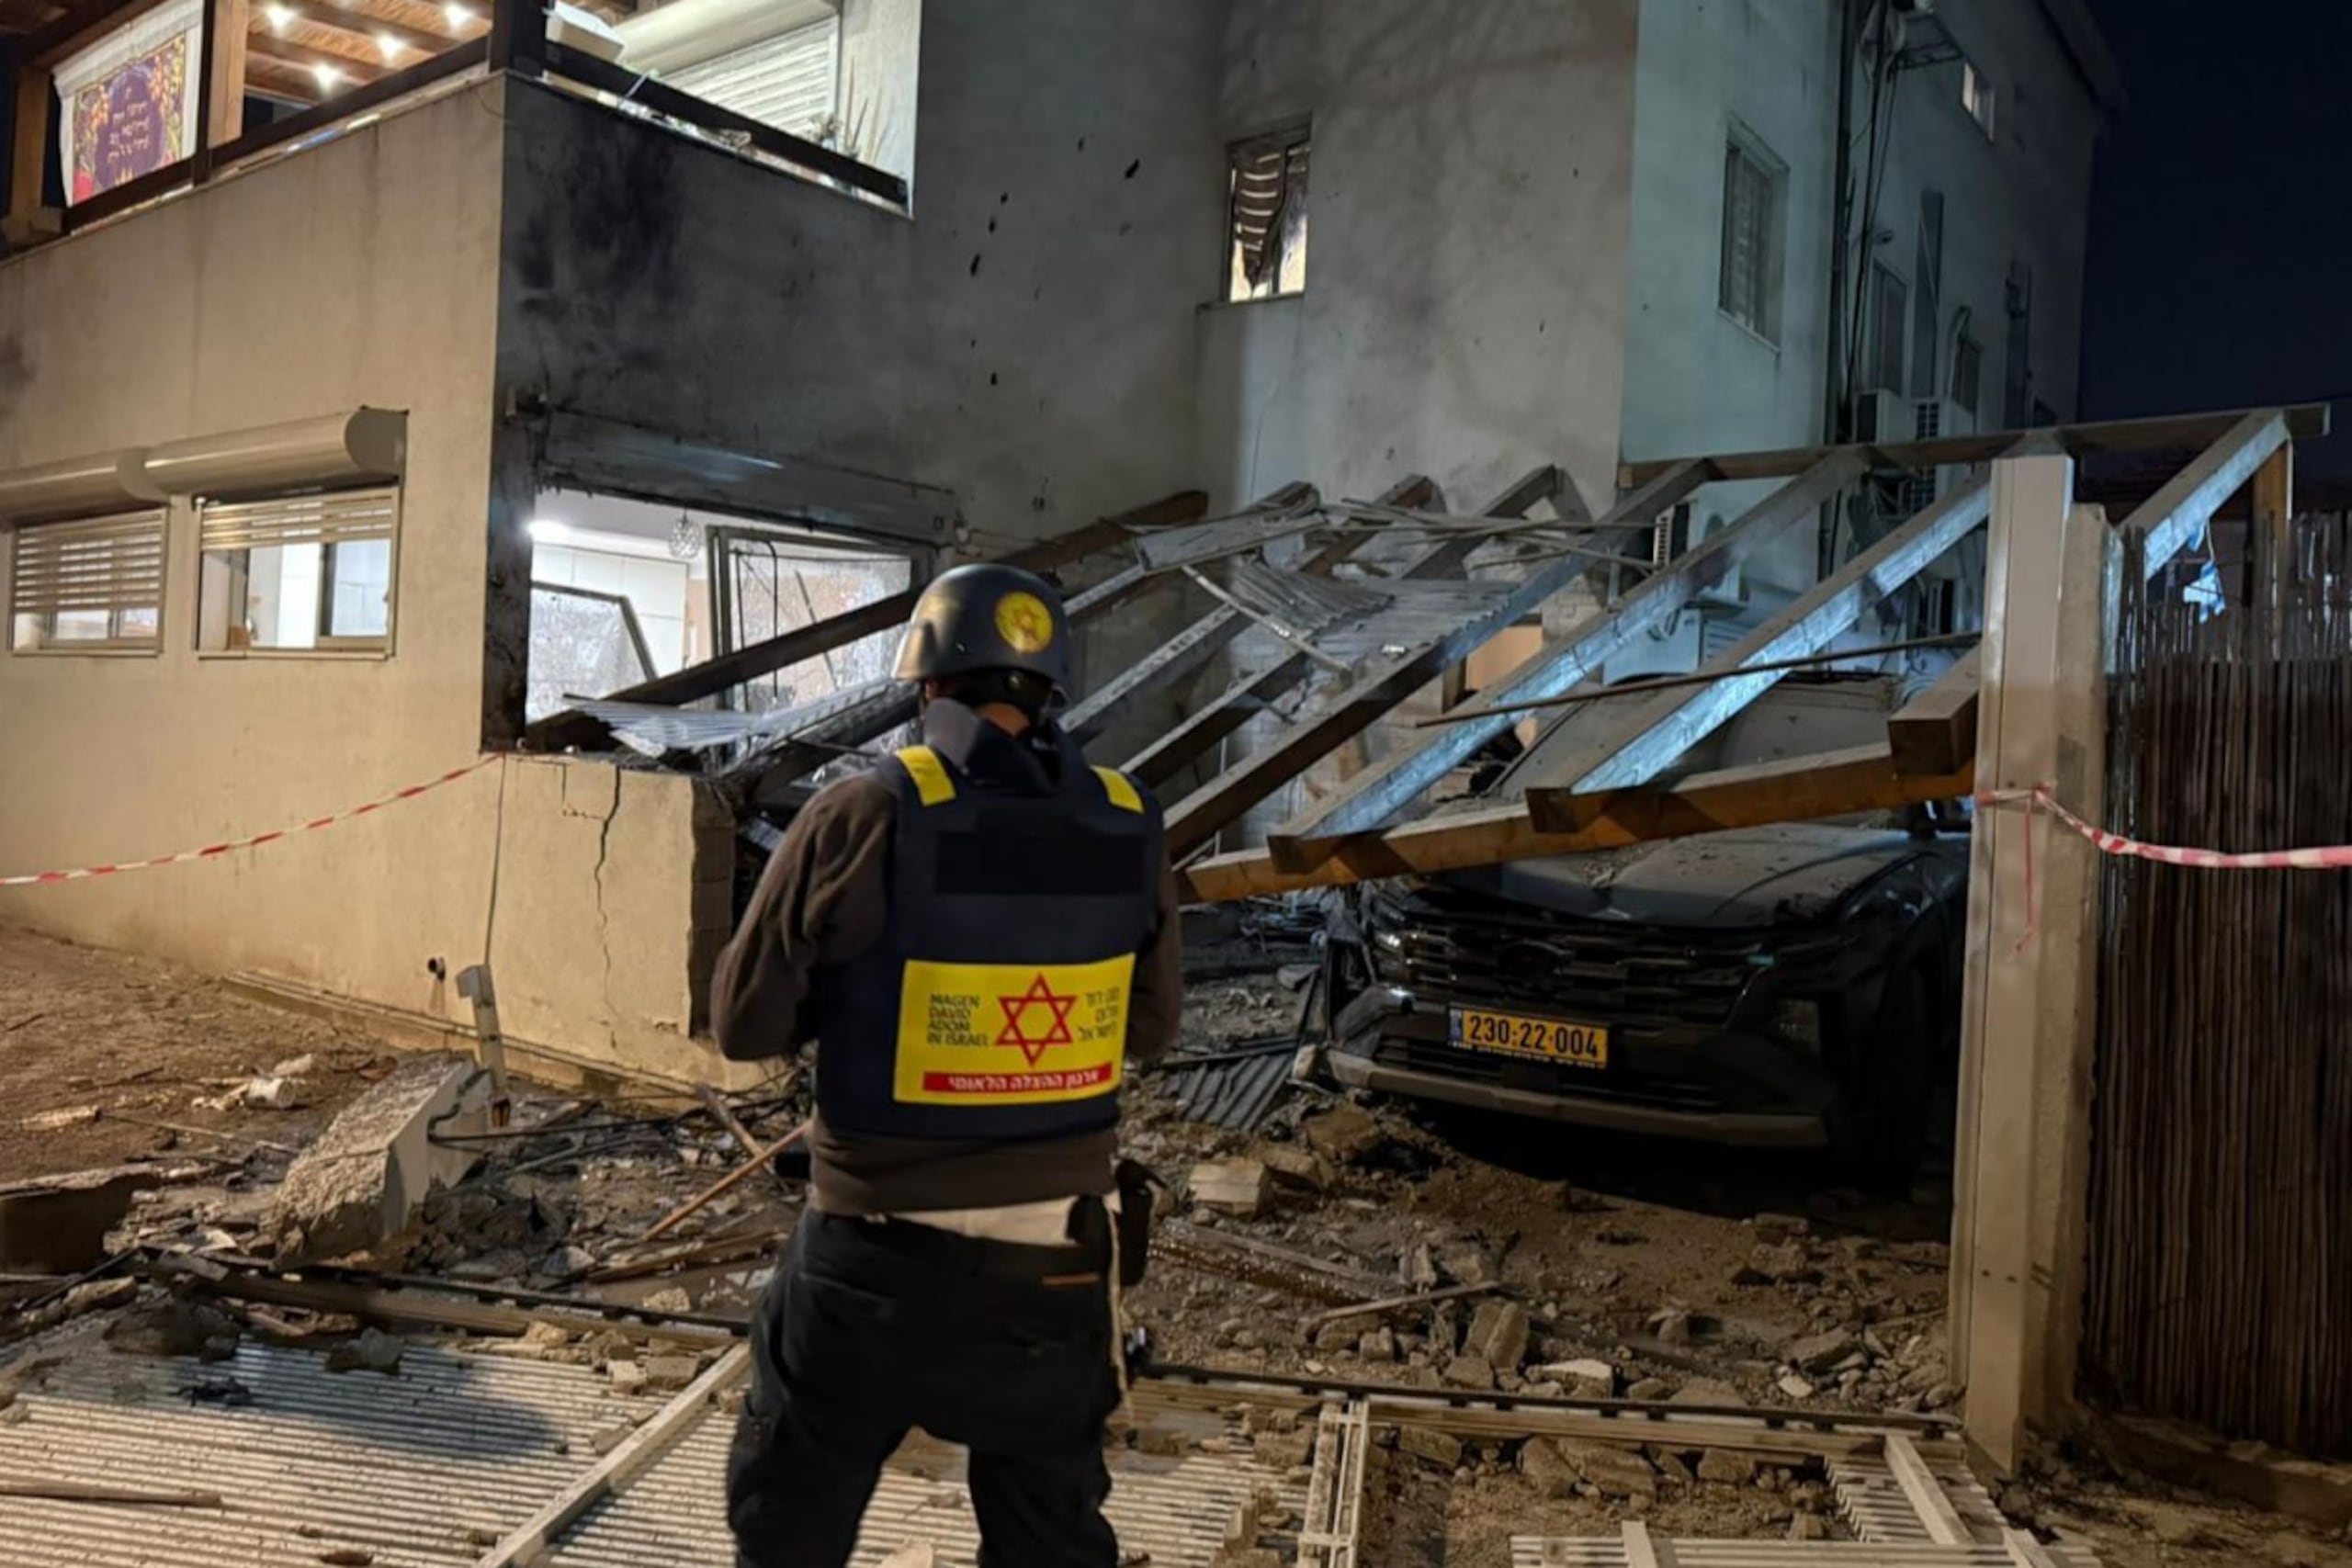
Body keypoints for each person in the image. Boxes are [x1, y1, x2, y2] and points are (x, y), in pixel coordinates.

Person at [711, 561, 1182, 1568]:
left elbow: (744, 1028)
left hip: (867, 1264)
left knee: (788, 1520)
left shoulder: (860, 812)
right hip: (1055, 1266)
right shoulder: (1128, 819)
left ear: (924, 686)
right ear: (1052, 689)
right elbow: (1147, 1031)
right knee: (1046, 1536)